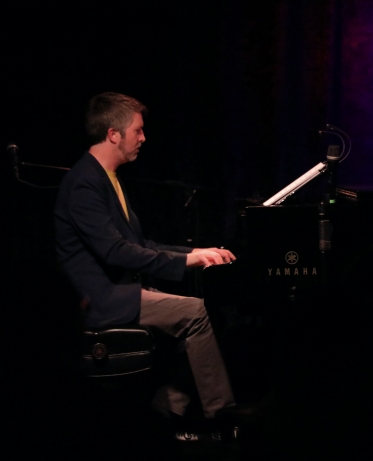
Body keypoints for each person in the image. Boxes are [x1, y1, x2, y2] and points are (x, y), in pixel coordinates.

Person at [54, 92, 237, 422]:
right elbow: (116, 252)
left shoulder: (108, 178)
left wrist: (193, 251)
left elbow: (140, 242)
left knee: (212, 315)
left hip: (121, 291)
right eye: (137, 130)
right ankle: (222, 418)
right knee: (194, 311)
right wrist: (184, 263)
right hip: (101, 300)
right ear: (113, 134)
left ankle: (167, 411)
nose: (143, 137)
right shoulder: (84, 182)